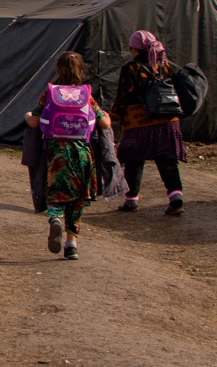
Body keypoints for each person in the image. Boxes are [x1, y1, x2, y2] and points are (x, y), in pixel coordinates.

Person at [25, 52, 111, 260]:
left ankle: (55, 218)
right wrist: (106, 115)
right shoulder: (86, 95)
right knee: (77, 198)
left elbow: (35, 121)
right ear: (81, 71)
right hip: (81, 152)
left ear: (58, 70)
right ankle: (71, 245)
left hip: (56, 153)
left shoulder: (50, 93)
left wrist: (27, 116)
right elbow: (105, 124)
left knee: (56, 191)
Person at [111, 30, 187, 216]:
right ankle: (176, 198)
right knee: (167, 160)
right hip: (168, 121)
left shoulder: (131, 69)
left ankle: (131, 200)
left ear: (136, 50)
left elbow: (125, 95)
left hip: (139, 122)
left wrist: (114, 115)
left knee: (134, 159)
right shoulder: (167, 66)